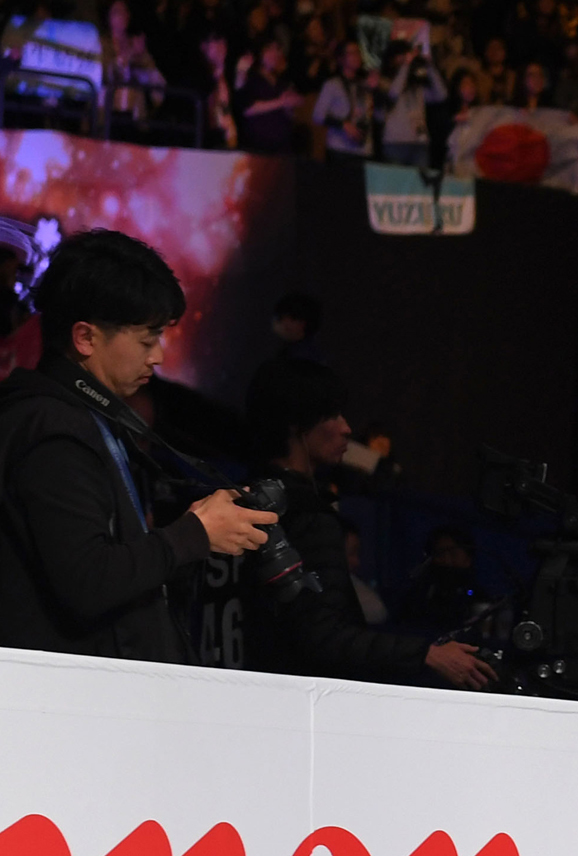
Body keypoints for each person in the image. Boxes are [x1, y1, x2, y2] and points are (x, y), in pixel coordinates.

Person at [0, 230, 276, 663]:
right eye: (148, 340)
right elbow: (87, 582)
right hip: (71, 706)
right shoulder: (51, 427)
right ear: (86, 338)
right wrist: (193, 535)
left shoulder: (78, 418)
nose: (159, 357)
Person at [240, 357, 495, 689]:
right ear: (296, 423)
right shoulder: (309, 516)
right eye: (332, 415)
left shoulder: (241, 503)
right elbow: (323, 637)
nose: (346, 428)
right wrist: (426, 654)